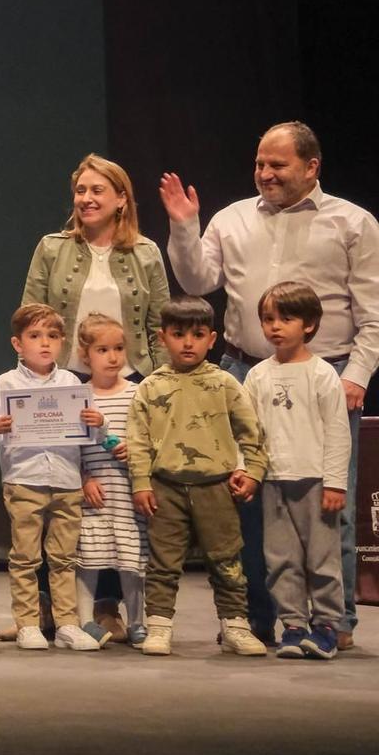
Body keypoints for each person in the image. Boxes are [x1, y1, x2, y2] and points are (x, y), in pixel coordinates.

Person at [161, 121, 376, 647]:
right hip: (244, 374)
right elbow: (197, 282)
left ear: (311, 166)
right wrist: (186, 227)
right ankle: (259, 617)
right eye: (260, 163)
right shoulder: (233, 218)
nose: (265, 174)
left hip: (324, 377)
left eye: (277, 165)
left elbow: (372, 312)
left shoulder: (352, 222)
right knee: (249, 501)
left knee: (330, 502)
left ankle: (335, 619)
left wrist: (357, 374)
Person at [125, 296, 269, 657]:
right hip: (166, 486)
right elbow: (137, 440)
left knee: (227, 559)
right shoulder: (150, 387)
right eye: (178, 334)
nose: (188, 342)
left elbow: (252, 432)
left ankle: (236, 625)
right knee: (163, 562)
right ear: (162, 338)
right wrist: (141, 483)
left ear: (212, 338)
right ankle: (158, 625)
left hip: (216, 487)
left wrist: (253, 472)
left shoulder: (224, 384)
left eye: (198, 334)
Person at [243, 281, 353, 660]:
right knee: (281, 558)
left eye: (285, 319)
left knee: (322, 558)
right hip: (273, 480)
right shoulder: (258, 375)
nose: (275, 327)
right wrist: (248, 471)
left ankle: (325, 625)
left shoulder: (322, 374)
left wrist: (336, 483)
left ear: (309, 324)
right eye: (268, 319)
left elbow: (338, 433)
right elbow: (248, 431)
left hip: (315, 480)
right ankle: (293, 624)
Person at [0, 304, 102, 652]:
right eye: (35, 336)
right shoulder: (6, 383)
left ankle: (67, 622)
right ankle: (28, 623)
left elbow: (89, 436)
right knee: (25, 556)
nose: (45, 343)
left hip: (66, 481)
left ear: (62, 342)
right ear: (18, 344)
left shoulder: (71, 383)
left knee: (65, 557)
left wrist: (98, 424)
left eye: (52, 336)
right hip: (25, 479)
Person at [21, 154, 170, 376]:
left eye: (97, 191)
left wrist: (163, 381)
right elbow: (28, 321)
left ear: (121, 199)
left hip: (132, 380)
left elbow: (160, 327)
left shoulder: (146, 252)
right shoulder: (51, 248)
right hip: (64, 380)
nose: (86, 198)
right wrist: (27, 377)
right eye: (81, 191)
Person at [71, 314, 149, 647]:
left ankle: (137, 622)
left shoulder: (137, 393)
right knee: (89, 558)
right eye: (103, 349)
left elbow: (146, 439)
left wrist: (134, 450)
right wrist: (84, 478)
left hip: (127, 492)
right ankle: (85, 620)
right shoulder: (77, 395)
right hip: (95, 493)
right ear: (85, 353)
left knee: (131, 561)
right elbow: (69, 447)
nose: (113, 356)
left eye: (118, 348)